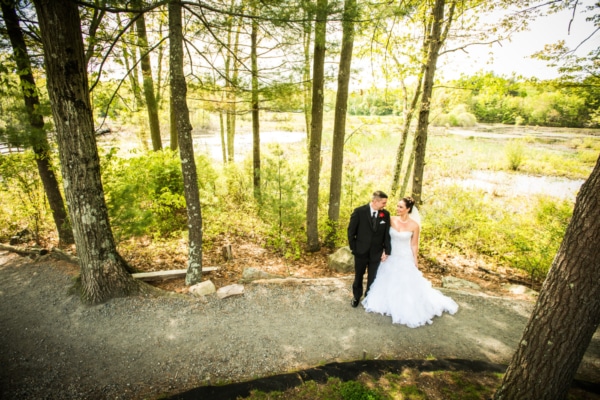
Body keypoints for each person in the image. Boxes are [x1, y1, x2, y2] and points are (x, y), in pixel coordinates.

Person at [362, 197, 458, 327]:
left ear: (408, 209)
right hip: (391, 255)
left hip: (405, 255)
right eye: (397, 206)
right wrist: (384, 251)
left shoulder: (414, 225)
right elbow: (384, 238)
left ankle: (405, 305)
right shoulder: (391, 220)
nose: (397, 209)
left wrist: (415, 260)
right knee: (387, 278)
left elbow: (414, 245)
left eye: (401, 207)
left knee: (405, 281)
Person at [347, 190, 392, 308]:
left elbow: (386, 234)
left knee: (373, 277)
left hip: (376, 252)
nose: (385, 205)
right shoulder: (359, 212)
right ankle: (356, 296)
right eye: (383, 203)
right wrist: (354, 249)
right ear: (375, 201)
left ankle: (369, 298)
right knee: (359, 276)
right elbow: (351, 232)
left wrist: (387, 250)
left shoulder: (385, 215)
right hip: (360, 251)